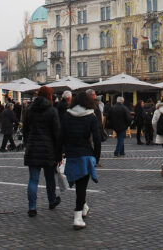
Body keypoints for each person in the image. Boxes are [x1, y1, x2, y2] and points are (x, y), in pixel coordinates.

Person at [60, 92, 100, 230]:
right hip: (85, 154)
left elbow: (61, 136)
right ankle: (77, 217)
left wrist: (61, 154)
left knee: (79, 185)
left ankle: (84, 207)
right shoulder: (91, 116)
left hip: (71, 154)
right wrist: (96, 157)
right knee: (82, 186)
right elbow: (97, 138)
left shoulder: (67, 115)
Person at [24, 86, 61, 217]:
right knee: (50, 178)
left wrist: (27, 143)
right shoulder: (52, 111)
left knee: (33, 179)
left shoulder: (29, 110)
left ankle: (32, 207)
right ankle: (51, 200)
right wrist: (59, 151)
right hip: (48, 149)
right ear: (49, 96)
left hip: (33, 148)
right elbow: (57, 132)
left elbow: (26, 130)